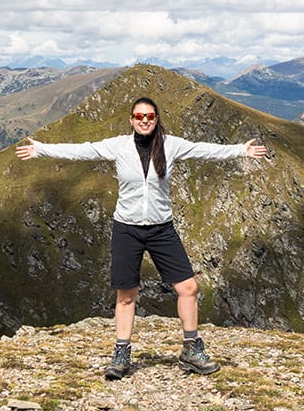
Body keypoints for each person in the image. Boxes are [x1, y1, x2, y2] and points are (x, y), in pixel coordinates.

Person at [16, 95, 267, 379]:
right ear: (131, 120)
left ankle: (191, 350)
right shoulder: (119, 146)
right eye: (139, 116)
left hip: (162, 229)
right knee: (126, 295)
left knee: (188, 288)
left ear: (156, 119)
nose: (144, 120)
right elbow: (82, 151)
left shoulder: (171, 145)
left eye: (149, 116)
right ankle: (121, 354)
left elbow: (204, 150)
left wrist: (240, 150)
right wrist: (41, 149)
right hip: (127, 229)